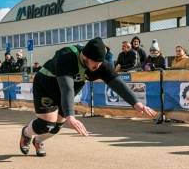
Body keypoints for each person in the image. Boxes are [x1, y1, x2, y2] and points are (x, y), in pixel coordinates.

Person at [19, 37, 158, 157]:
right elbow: (66, 88)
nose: (98, 66)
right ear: (86, 57)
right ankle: (26, 133)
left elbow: (116, 83)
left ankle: (38, 141)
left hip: (67, 90)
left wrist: (136, 103)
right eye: (96, 63)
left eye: (100, 62)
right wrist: (70, 115)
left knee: (57, 126)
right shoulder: (66, 56)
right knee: (47, 124)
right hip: (46, 85)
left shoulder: (99, 65)